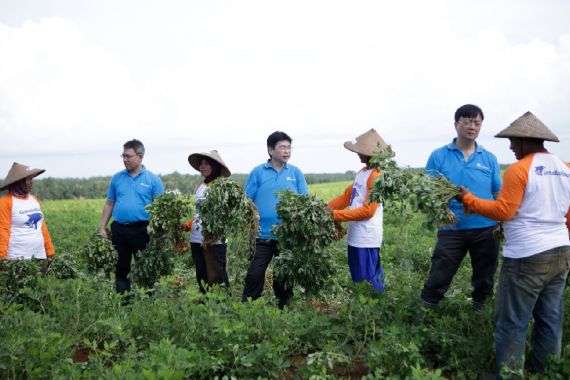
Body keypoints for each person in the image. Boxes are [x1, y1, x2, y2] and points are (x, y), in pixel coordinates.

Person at [457, 111, 570, 376]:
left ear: (523, 141)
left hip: (527, 257)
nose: (510, 147)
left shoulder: (519, 170)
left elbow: (504, 211)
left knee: (512, 321)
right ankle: (546, 371)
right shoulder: (565, 169)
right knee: (550, 318)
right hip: (561, 251)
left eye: (512, 142)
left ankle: (509, 374)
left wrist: (469, 200)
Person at [420, 104, 502, 310]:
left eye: (477, 123)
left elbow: (498, 193)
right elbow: (429, 191)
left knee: (485, 277)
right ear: (456, 124)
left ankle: (479, 313)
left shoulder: (489, 158)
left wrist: (503, 221)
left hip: (486, 227)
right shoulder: (439, 156)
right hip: (451, 227)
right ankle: (423, 314)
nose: (472, 127)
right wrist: (442, 211)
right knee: (439, 273)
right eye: (467, 121)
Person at [242, 131, 308, 309]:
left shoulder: (295, 173)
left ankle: (284, 310)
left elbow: (305, 201)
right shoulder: (258, 172)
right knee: (255, 274)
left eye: (289, 147)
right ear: (270, 150)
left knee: (284, 277)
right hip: (261, 235)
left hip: (287, 236)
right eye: (282, 147)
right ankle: (248, 309)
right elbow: (246, 201)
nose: (286, 151)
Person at [98, 139, 164, 293]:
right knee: (121, 267)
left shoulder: (153, 180)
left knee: (145, 266)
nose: (125, 160)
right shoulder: (117, 178)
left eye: (128, 156)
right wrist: (102, 227)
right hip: (119, 229)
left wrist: (159, 233)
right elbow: (109, 203)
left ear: (140, 157)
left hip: (143, 230)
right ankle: (123, 300)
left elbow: (161, 209)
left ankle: (148, 301)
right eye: (123, 156)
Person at [327, 129, 386, 291]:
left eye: (361, 151)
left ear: (371, 154)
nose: (358, 154)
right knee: (359, 276)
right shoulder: (362, 173)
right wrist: (325, 208)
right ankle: (365, 309)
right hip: (357, 235)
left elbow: (368, 211)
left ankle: (374, 311)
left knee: (368, 280)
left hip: (366, 236)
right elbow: (347, 196)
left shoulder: (377, 177)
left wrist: (335, 215)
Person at [183, 150, 231, 293]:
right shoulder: (200, 187)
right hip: (197, 238)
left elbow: (227, 213)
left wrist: (216, 229)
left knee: (217, 274)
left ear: (215, 166)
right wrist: (189, 224)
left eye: (206, 164)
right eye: (201, 164)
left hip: (215, 239)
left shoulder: (222, 186)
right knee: (201, 273)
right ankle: (205, 303)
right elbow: (199, 214)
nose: (202, 167)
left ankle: (223, 306)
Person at [0, 162, 54, 260]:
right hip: (17, 260)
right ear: (18, 182)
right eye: (28, 179)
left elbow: (42, 227)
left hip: (40, 256)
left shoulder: (34, 200)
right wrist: (2, 256)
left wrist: (49, 251)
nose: (31, 182)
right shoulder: (5, 202)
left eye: (31, 179)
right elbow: (3, 230)